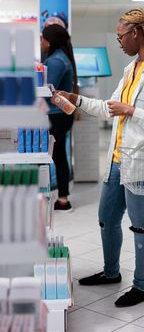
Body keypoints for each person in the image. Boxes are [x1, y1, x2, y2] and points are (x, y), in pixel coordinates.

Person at [55, 8, 144, 306]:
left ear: (136, 33)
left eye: (121, 36)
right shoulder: (130, 70)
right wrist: (76, 99)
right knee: (107, 219)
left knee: (141, 224)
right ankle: (111, 272)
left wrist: (132, 111)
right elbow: (109, 108)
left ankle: (142, 287)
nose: (120, 42)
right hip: (118, 159)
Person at [41, 24, 78, 212]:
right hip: (59, 116)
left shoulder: (56, 61)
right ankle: (62, 199)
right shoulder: (58, 58)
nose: (41, 42)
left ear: (50, 41)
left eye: (42, 38)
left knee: (56, 156)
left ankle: (61, 198)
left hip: (56, 117)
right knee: (59, 155)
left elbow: (46, 89)